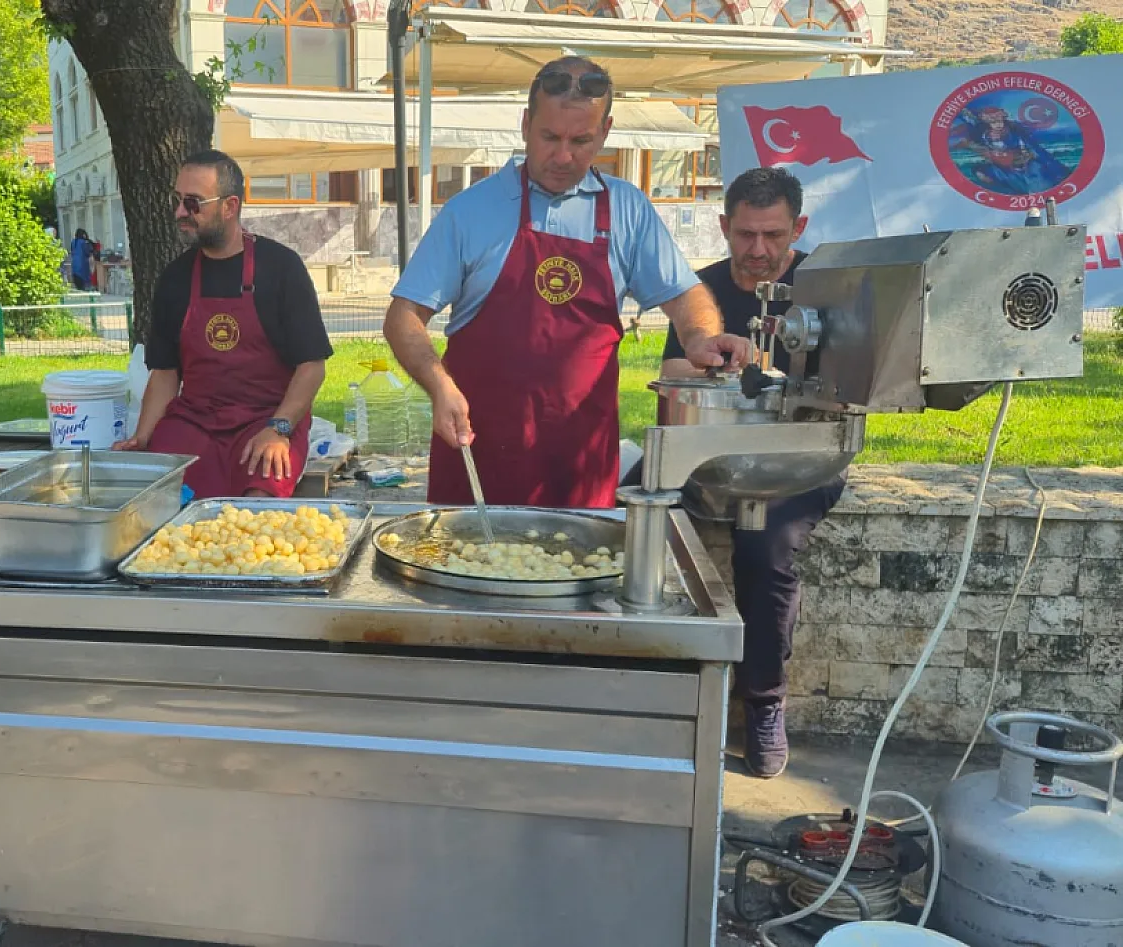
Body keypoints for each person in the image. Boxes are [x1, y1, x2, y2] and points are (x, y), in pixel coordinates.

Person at [384, 57, 752, 508]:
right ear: (525, 125)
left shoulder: (627, 210)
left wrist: (700, 336)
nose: (563, 157)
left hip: (581, 462)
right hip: (478, 456)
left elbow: (685, 295)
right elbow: (404, 316)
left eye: (580, 141)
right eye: (549, 138)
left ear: (605, 131)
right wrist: (439, 384)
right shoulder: (471, 210)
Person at [658, 167, 845, 779]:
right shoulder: (700, 293)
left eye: (772, 235)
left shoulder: (830, 288)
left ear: (799, 227)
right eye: (744, 235)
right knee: (644, 522)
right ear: (723, 227)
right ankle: (665, 693)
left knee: (763, 548)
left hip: (798, 456)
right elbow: (670, 374)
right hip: (711, 450)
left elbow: (852, 387)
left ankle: (763, 702)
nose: (758, 250)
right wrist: (718, 360)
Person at [115, 150, 332, 500]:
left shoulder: (281, 268)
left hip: (267, 419)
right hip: (195, 421)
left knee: (255, 505)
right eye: (177, 200)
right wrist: (142, 439)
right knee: (160, 496)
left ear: (230, 206)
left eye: (192, 203)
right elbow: (166, 373)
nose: (180, 212)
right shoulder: (175, 278)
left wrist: (280, 428)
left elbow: (312, 367)